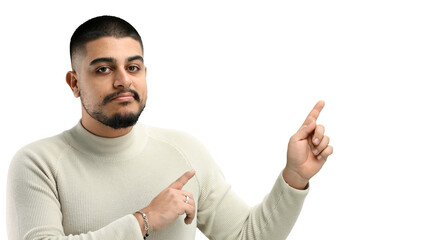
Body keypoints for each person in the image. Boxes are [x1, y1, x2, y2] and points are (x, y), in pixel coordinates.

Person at [6, 15, 333, 240]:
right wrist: (144, 220)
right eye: (104, 69)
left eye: (133, 67)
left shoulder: (184, 152)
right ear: (74, 83)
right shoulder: (39, 162)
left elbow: (246, 235)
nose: (123, 80)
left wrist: (294, 177)